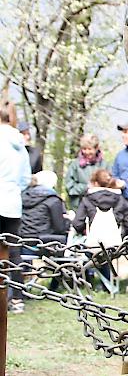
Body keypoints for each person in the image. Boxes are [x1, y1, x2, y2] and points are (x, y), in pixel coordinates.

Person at [72, 168, 128, 287]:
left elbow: (77, 224)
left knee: (88, 249)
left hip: (92, 244)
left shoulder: (87, 199)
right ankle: (106, 283)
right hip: (115, 245)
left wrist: (85, 230)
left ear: (95, 183)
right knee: (105, 252)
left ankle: (91, 280)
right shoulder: (120, 200)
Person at [0, 100, 32, 314]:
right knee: (13, 250)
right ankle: (18, 298)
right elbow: (25, 178)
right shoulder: (19, 143)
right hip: (11, 201)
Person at [65, 134, 107, 210]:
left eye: (90, 149)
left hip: (99, 207)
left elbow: (110, 185)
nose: (87, 152)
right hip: (78, 207)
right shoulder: (75, 165)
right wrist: (86, 187)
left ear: (96, 148)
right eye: (84, 149)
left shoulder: (104, 165)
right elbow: (69, 188)